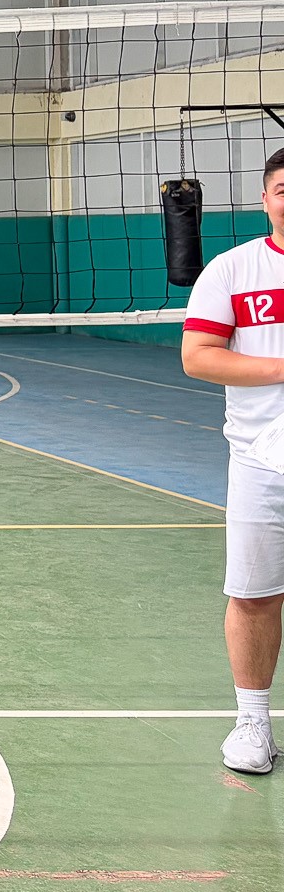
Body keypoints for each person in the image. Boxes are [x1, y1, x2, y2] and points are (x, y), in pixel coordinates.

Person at [183, 145, 284, 776]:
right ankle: (252, 722)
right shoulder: (232, 269)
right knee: (253, 594)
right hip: (260, 461)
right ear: (265, 198)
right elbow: (199, 356)